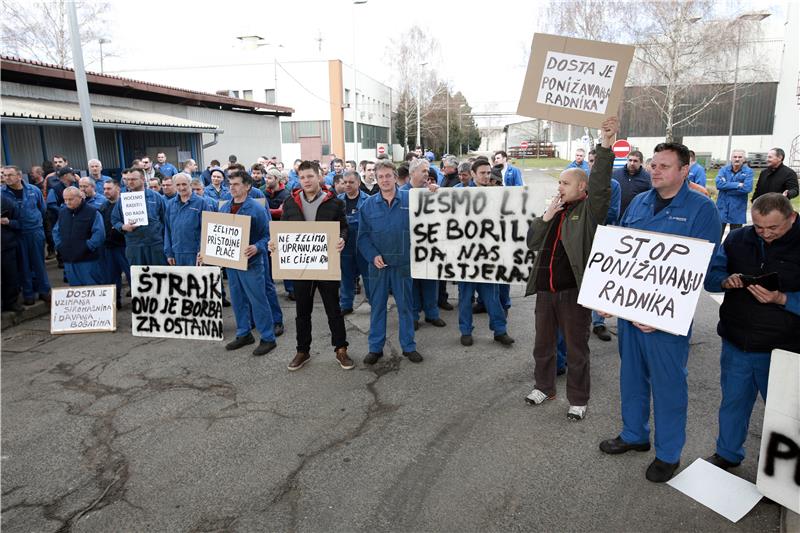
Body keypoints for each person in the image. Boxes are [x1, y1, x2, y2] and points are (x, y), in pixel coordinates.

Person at [599, 141, 721, 483]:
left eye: (664, 166)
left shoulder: (701, 209)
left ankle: (668, 454)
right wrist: (611, 296)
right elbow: (619, 251)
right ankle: (634, 434)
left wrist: (659, 314)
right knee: (631, 377)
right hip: (630, 312)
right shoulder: (638, 201)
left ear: (685, 170)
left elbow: (702, 266)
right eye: (654, 164)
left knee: (669, 386)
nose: (655, 170)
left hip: (666, 318)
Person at [524, 117, 618, 422]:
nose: (559, 187)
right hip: (545, 292)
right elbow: (531, 242)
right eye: (559, 183)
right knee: (543, 345)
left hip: (573, 293)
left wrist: (605, 145)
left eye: (564, 183)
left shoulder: (590, 211)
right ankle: (544, 387)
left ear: (581, 186)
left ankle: (578, 399)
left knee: (577, 349)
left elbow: (602, 184)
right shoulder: (556, 209)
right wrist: (547, 216)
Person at [703, 193, 799, 472]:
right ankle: (727, 454)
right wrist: (725, 280)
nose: (765, 234)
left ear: (792, 217)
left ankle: (779, 474)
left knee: (785, 415)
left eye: (774, 228)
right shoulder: (736, 239)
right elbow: (710, 278)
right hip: (737, 340)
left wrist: (782, 299)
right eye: (759, 227)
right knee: (733, 403)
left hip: (785, 348)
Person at [276, 161, 352, 371]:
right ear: (298, 179)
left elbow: (344, 228)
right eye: (302, 177)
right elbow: (282, 230)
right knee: (302, 311)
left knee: (333, 309)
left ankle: (341, 349)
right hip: (300, 267)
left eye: (310, 176)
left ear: (319, 177)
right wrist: (275, 243)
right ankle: (302, 350)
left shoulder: (334, 203)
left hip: (326, 265)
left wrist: (342, 239)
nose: (306, 181)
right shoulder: (291, 203)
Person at [357, 161, 423, 364]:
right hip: (378, 266)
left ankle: (409, 346)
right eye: (380, 177)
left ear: (395, 177)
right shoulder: (367, 205)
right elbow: (363, 237)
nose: (385, 180)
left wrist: (434, 193)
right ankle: (375, 348)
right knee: (377, 306)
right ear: (376, 180)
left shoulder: (411, 200)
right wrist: (372, 255)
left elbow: (431, 218)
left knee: (405, 307)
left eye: (388, 175)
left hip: (403, 265)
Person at [456, 159, 516, 348]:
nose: (486, 176)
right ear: (473, 174)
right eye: (482, 173)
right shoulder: (459, 192)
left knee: (492, 296)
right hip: (466, 256)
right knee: (465, 297)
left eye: (488, 173)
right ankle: (465, 331)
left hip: (489, 255)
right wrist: (433, 192)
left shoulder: (498, 195)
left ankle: (500, 331)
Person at [219, 172, 277, 357]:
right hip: (231, 262)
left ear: (247, 186)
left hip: (251, 263)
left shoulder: (256, 209)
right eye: (230, 184)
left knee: (258, 300)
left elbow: (269, 235)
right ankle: (244, 333)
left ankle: (268, 337)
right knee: (237, 300)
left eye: (236, 184)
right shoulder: (225, 207)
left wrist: (257, 247)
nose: (232, 187)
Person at [402, 158, 447, 331]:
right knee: (411, 285)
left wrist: (438, 194)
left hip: (429, 246)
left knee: (430, 281)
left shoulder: (431, 192)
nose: (427, 174)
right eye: (423, 171)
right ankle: (413, 316)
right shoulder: (402, 193)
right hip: (409, 247)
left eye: (428, 172)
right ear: (412, 173)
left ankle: (432, 314)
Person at [2, 165, 51, 305]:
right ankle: (28, 293)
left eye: (10, 175)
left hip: (34, 231)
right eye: (4, 175)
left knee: (38, 263)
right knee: (23, 265)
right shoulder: (1, 193)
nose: (7, 178)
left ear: (19, 176)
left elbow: (42, 209)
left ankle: (43, 291)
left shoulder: (33, 190)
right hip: (16, 233)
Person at [111, 167, 168, 266]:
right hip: (134, 246)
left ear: (143, 179)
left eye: (133, 179)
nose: (130, 182)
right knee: (138, 278)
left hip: (155, 245)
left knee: (159, 277)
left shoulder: (156, 197)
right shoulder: (122, 200)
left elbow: (166, 221)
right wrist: (123, 227)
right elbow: (115, 219)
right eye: (128, 180)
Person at [53, 187, 105, 286]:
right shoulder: (63, 212)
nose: (67, 202)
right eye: (65, 199)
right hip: (69, 261)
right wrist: (60, 246)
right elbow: (56, 231)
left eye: (70, 199)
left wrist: (87, 247)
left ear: (80, 197)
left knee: (92, 288)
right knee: (75, 290)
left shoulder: (93, 212)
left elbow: (99, 234)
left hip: (88, 260)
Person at [337, 170, 371, 315]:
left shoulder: (368, 200)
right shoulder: (337, 201)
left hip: (364, 246)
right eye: (345, 182)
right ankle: (346, 304)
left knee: (369, 276)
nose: (348, 185)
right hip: (345, 246)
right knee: (346, 276)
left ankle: (374, 302)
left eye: (351, 182)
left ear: (358, 183)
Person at [164, 174, 212, 266]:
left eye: (184, 184)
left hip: (195, 253)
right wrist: (169, 253)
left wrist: (203, 250)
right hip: (176, 252)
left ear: (190, 184)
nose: (181, 188)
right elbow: (167, 230)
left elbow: (207, 230)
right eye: (178, 185)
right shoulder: (170, 204)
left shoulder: (201, 203)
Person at [98, 179, 129, 308]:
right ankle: (114, 303)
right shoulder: (103, 206)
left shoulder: (126, 204)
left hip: (125, 246)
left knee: (132, 275)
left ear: (118, 189)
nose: (106, 191)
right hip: (109, 247)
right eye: (104, 189)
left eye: (109, 188)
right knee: (111, 277)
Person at [715, 149, 753, 238]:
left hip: (737, 209)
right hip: (722, 208)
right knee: (716, 236)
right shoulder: (724, 170)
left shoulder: (748, 172)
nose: (737, 159)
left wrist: (726, 188)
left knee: (735, 238)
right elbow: (719, 185)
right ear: (731, 158)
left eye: (740, 157)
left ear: (744, 159)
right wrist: (737, 185)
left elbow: (747, 188)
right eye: (735, 157)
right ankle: (715, 252)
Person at [1, 185, 22, 311]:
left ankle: (11, 302)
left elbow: (20, 222)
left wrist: (8, 222)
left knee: (10, 275)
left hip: (6, 246)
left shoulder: (6, 201)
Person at [615, 150, 651, 220]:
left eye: (635, 161)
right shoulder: (616, 174)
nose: (632, 163)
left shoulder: (647, 178)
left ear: (641, 162)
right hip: (616, 218)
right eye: (630, 160)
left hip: (636, 218)